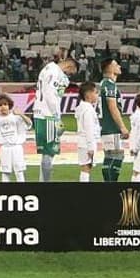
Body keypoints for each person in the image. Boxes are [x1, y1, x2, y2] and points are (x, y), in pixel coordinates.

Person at [36, 53, 78, 182]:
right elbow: (51, 95)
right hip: (48, 116)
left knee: (46, 152)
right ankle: (46, 184)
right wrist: (57, 118)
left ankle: (42, 181)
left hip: (40, 113)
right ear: (70, 66)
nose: (70, 75)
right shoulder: (55, 72)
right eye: (72, 72)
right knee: (49, 151)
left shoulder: (47, 69)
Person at [97, 57, 130, 182]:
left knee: (109, 156)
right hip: (111, 127)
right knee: (117, 156)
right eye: (116, 64)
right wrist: (122, 127)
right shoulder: (110, 85)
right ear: (110, 68)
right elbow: (112, 107)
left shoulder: (103, 84)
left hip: (105, 127)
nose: (119, 67)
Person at [0, 95, 30, 182]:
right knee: (5, 173)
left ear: (9, 105)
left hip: (17, 147)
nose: (3, 107)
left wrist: (21, 114)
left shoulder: (16, 117)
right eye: (0, 105)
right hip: (4, 148)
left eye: (5, 104)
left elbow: (29, 123)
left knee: (19, 172)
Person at [72, 81, 100, 182]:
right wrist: (91, 146)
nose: (97, 95)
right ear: (88, 94)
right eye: (96, 92)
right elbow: (89, 129)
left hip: (83, 141)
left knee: (86, 167)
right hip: (87, 142)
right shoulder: (87, 109)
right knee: (86, 168)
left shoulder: (83, 107)